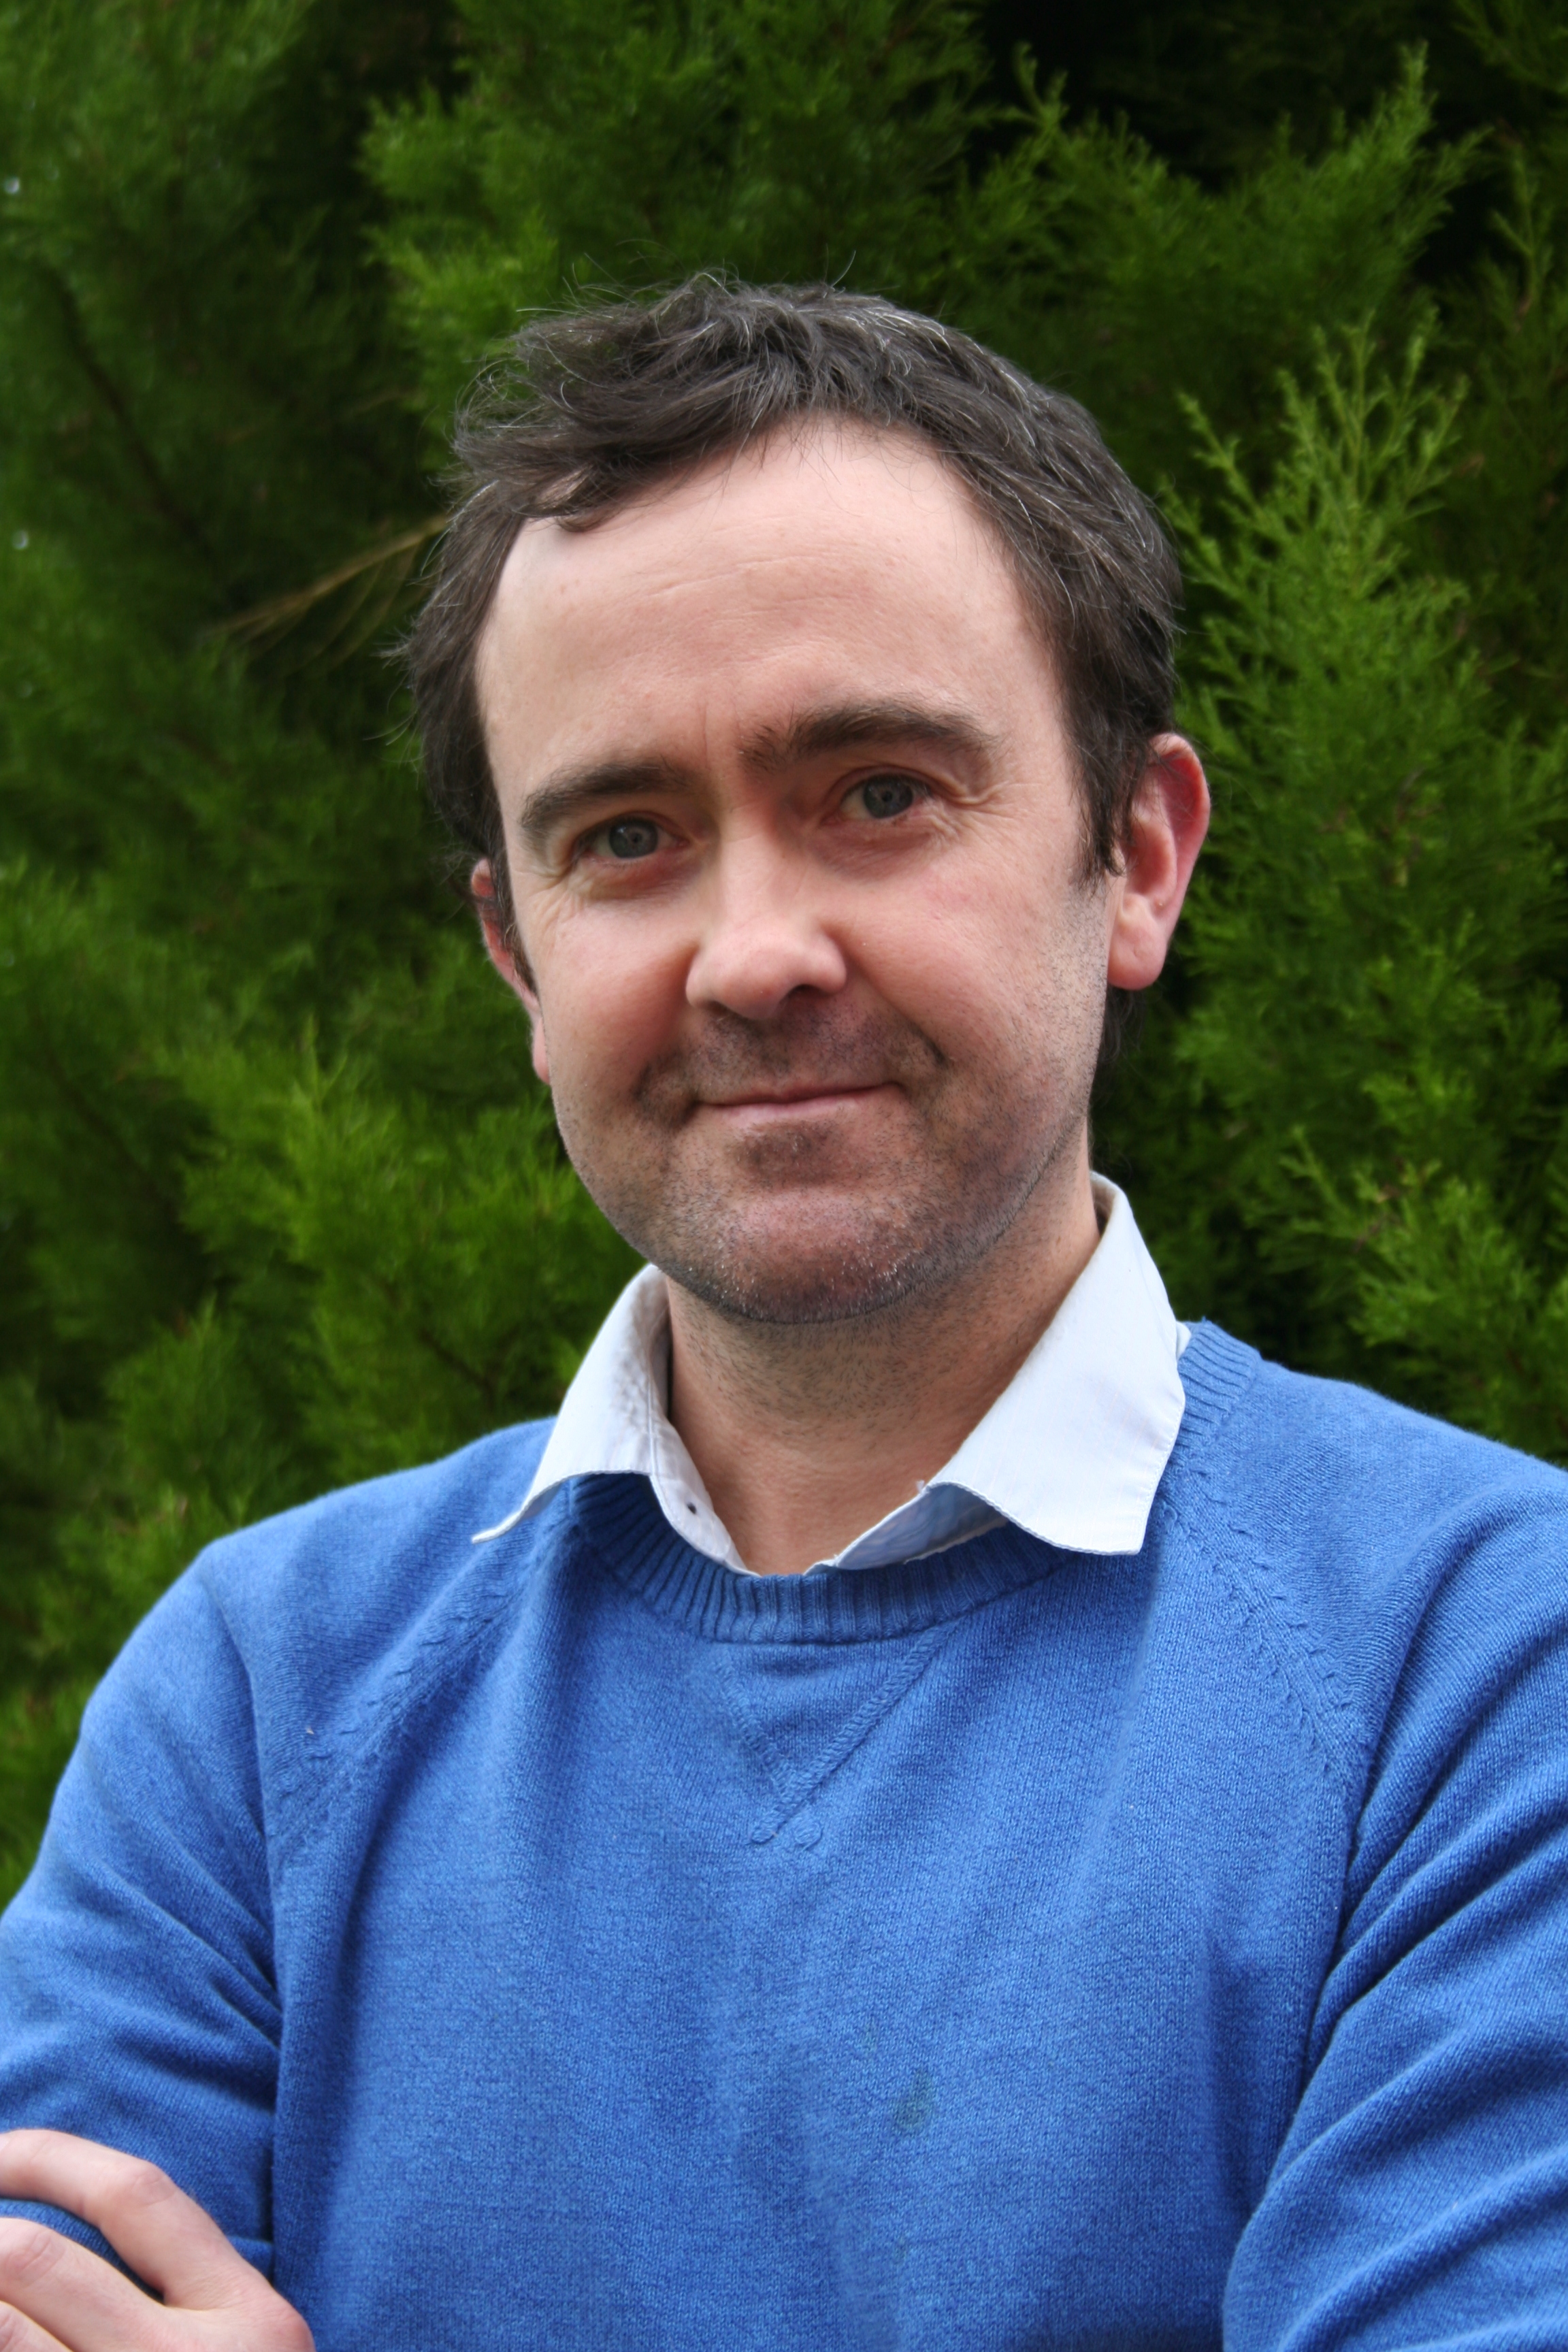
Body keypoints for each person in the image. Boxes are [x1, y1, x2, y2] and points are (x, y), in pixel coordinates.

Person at [0, 278, 1564, 2352]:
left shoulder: (1484, 1665)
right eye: (626, 837)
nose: (752, 954)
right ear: (517, 955)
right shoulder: (258, 1704)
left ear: (1137, 859)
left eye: (880, 792)